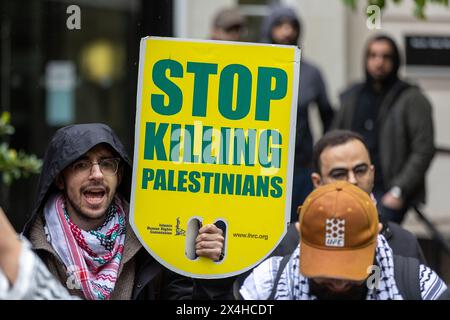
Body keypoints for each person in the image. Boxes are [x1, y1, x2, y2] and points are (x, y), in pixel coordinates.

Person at [21, 123, 225, 300]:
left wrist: (210, 272)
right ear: (59, 179)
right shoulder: (28, 253)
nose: (97, 174)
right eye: (81, 164)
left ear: (119, 176)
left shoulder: (152, 242)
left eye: (107, 163)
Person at [239, 181, 448, 300]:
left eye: (350, 269)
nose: (338, 285)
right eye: (324, 270)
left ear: (376, 238)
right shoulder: (265, 286)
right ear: (301, 236)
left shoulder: (419, 286)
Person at [271, 130, 426, 264]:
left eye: (360, 170)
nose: (352, 180)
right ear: (317, 182)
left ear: (372, 173)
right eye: (339, 173)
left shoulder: (404, 243)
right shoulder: (290, 243)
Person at [332, 34, 435, 224]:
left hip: (388, 192)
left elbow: (423, 149)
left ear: (395, 61)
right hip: (349, 188)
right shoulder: (351, 96)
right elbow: (333, 140)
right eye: (373, 56)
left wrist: (398, 190)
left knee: (381, 244)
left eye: (386, 57)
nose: (379, 62)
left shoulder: (411, 98)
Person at [260, 5, 334, 222]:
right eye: (280, 25)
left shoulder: (311, 73)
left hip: (301, 166)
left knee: (300, 224)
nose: (287, 32)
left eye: (292, 26)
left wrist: (321, 156)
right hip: (263, 165)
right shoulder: (256, 67)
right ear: (269, 29)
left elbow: (328, 117)